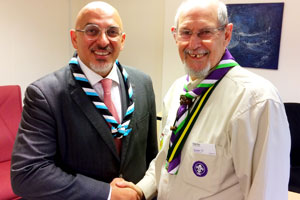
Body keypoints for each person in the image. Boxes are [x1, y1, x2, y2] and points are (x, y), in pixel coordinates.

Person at [116, 0, 291, 199]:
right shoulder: (177, 91)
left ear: (226, 34)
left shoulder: (257, 101)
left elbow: (267, 193)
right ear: (175, 35)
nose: (193, 44)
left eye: (205, 32)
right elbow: (167, 161)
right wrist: (139, 191)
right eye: (186, 32)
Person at [10, 1, 157, 200]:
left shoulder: (142, 83)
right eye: (92, 31)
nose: (103, 41)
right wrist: (107, 193)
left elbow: (151, 158)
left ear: (122, 40)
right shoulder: (45, 94)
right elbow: (27, 173)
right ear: (74, 38)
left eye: (112, 32)